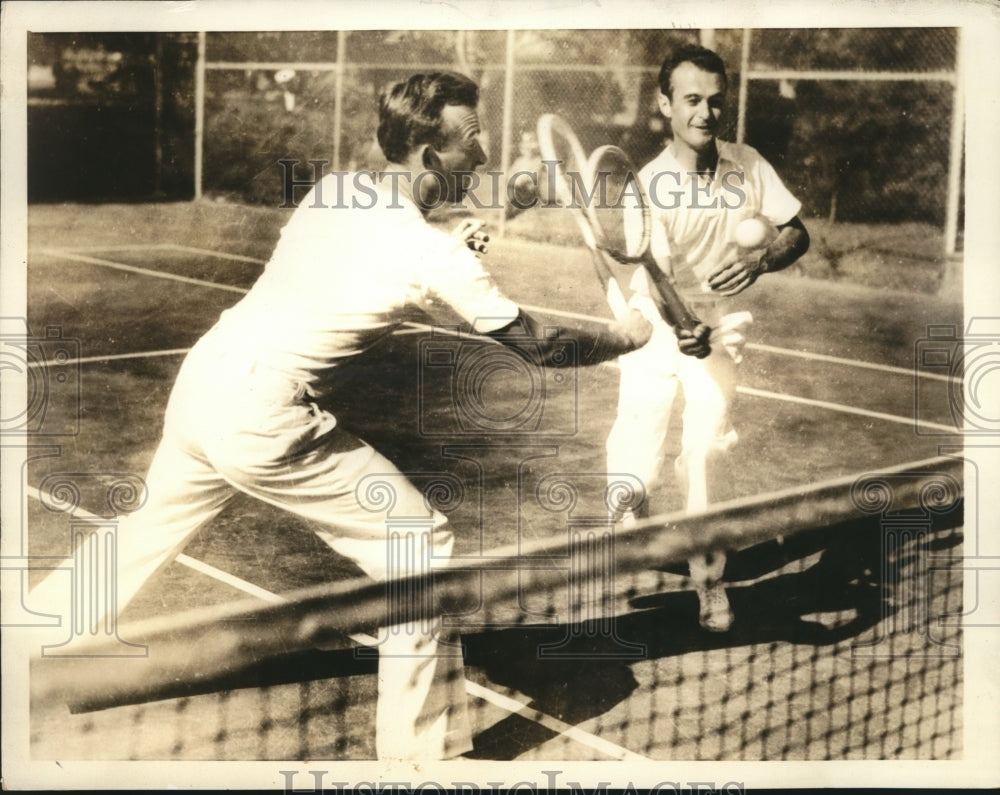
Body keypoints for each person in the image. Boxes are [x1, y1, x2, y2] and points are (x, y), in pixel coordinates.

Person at [28, 72, 652, 759]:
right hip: (263, 415)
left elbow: (403, 250)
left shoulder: (337, 190)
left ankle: (25, 644)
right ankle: (419, 759)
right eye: (472, 140)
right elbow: (540, 344)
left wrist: (486, 221)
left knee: (144, 527)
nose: (483, 154)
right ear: (428, 154)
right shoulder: (429, 252)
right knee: (422, 547)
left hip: (205, 381)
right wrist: (623, 338)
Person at [605, 45, 809, 632]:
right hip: (653, 321)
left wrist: (762, 262)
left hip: (719, 326)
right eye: (691, 100)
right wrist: (680, 326)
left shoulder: (748, 165)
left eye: (716, 101)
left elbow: (796, 233)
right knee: (636, 473)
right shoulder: (647, 184)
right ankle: (632, 505)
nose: (705, 113)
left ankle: (709, 586)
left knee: (706, 452)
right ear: (664, 104)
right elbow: (659, 276)